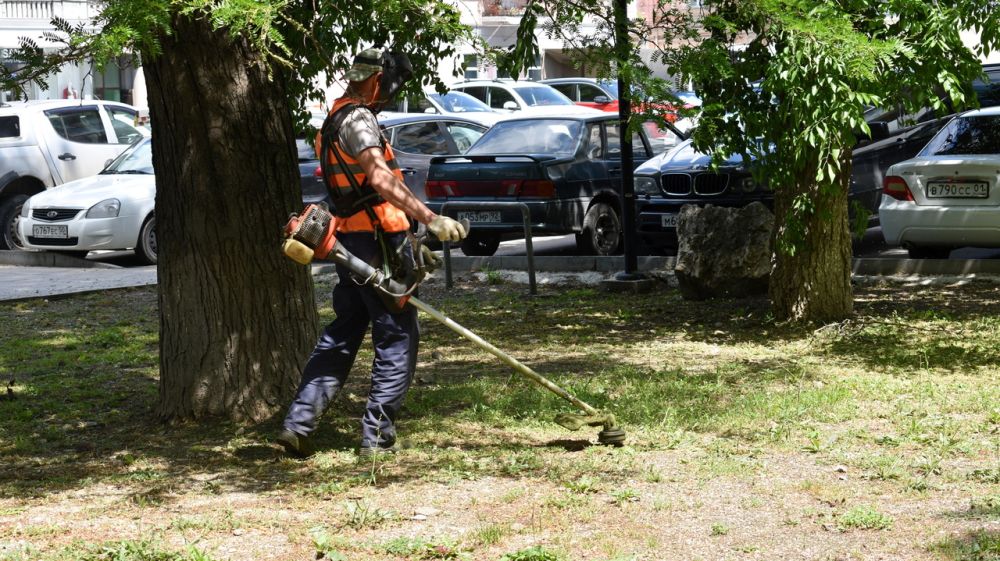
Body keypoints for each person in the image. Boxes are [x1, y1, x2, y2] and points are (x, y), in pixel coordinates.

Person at [277, 48, 468, 458]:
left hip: (352, 242)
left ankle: (298, 423)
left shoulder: (332, 120)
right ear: (378, 81)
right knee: (397, 335)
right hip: (377, 244)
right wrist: (430, 218)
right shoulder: (359, 120)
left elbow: (361, 194)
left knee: (343, 332)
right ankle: (376, 438)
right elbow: (379, 180)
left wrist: (414, 244)